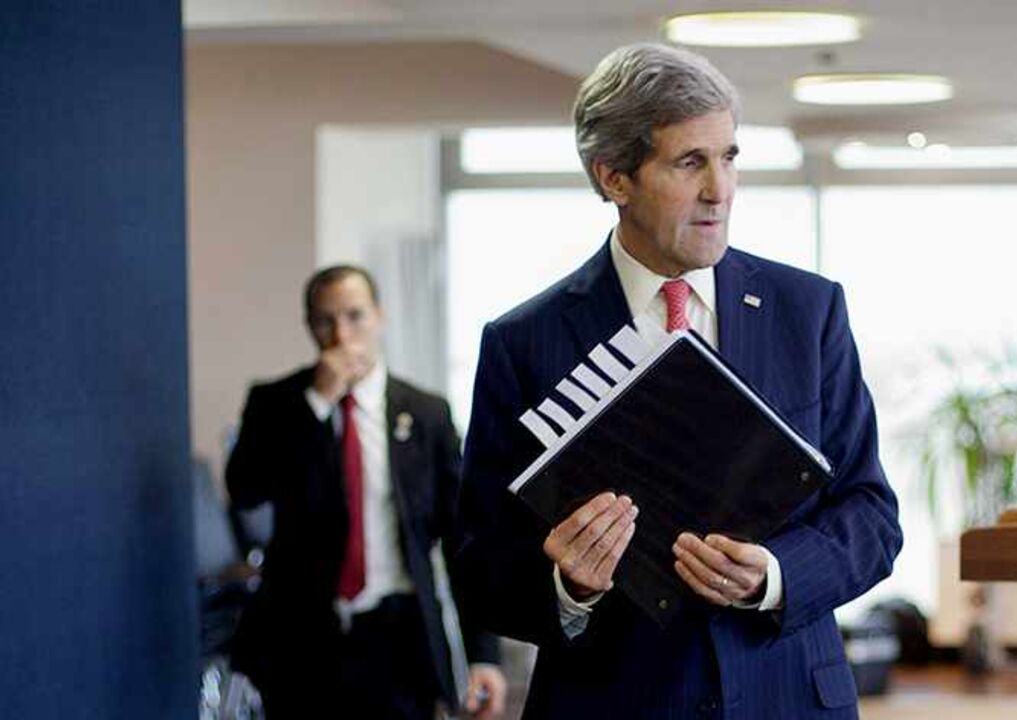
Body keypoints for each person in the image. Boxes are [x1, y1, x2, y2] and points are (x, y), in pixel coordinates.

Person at [457, 43, 901, 719]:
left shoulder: (806, 312)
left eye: (728, 157)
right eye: (689, 162)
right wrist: (568, 585)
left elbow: (870, 515)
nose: (719, 190)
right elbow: (480, 563)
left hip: (788, 698)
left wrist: (776, 576)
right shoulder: (524, 343)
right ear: (615, 178)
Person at [226, 265, 507, 719]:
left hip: (398, 635)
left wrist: (483, 654)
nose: (341, 334)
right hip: (301, 639)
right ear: (309, 326)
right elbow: (245, 490)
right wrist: (316, 401)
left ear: (379, 316)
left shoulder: (426, 413)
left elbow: (461, 538)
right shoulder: (276, 403)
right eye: (325, 320)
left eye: (354, 316)